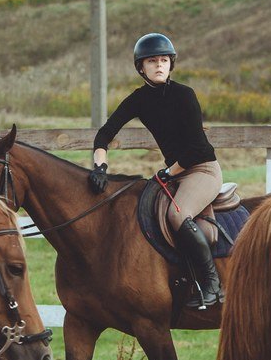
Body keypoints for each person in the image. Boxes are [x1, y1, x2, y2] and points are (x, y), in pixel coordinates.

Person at [88, 32, 224, 308]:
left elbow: (197, 148)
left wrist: (168, 172)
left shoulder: (185, 95)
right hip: (174, 172)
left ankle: (212, 283)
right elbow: (105, 133)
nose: (159, 65)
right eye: (152, 61)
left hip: (202, 170)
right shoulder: (138, 100)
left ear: (171, 64)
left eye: (164, 60)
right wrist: (100, 166)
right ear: (141, 67)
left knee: (177, 214)